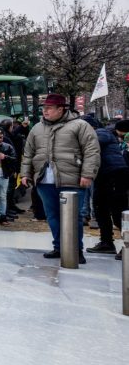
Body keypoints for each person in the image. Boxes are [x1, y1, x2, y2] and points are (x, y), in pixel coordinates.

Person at [20, 93, 100, 264]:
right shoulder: (37, 128)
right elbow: (28, 153)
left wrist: (87, 174)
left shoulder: (80, 125)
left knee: (74, 217)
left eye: (49, 108)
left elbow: (92, 151)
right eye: (44, 108)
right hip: (44, 181)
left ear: (61, 109)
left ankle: (75, 250)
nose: (45, 111)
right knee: (52, 216)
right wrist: (25, 174)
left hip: (72, 180)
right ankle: (59, 247)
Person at [83, 116, 129, 256]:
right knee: (100, 210)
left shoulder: (101, 133)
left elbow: (91, 144)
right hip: (102, 176)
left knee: (118, 213)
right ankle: (106, 242)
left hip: (115, 175)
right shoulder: (102, 133)